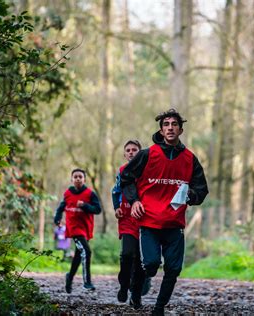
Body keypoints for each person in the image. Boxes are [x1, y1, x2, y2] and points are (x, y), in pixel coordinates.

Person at [120, 108, 208, 315]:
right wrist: (134, 201)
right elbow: (126, 179)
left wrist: (190, 196)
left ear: (180, 130)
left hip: (174, 223)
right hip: (149, 221)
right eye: (166, 125)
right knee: (150, 265)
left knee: (174, 269)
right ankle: (137, 288)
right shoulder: (147, 154)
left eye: (174, 124)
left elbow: (202, 189)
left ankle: (158, 308)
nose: (170, 128)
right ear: (161, 130)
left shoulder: (190, 159)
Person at [111, 140, 151, 305]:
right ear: (124, 154)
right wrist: (116, 208)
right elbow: (116, 192)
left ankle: (136, 295)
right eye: (128, 150)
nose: (131, 152)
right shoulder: (122, 171)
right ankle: (123, 285)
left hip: (145, 219)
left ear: (140, 153)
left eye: (135, 150)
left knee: (141, 260)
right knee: (127, 254)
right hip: (127, 218)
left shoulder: (148, 170)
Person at [54, 168, 102, 293]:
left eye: (80, 176)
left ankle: (69, 277)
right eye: (75, 177)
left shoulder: (90, 194)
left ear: (84, 179)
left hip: (85, 228)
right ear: (72, 179)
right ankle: (87, 282)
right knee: (86, 251)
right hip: (74, 228)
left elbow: (98, 209)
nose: (78, 179)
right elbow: (60, 209)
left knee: (78, 256)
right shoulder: (67, 194)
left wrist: (85, 206)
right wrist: (57, 219)